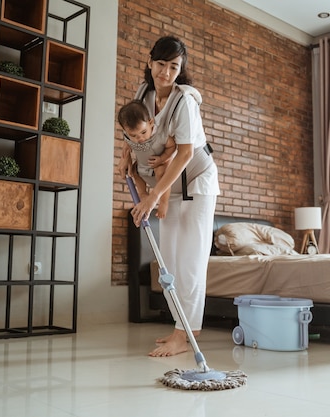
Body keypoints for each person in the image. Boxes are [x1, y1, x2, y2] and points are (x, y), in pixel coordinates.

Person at [121, 35, 220, 357]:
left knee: (189, 263)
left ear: (181, 69)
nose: (165, 72)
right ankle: (181, 326)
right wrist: (126, 153)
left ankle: (187, 334)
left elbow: (186, 153)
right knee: (171, 261)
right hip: (169, 186)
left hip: (194, 185)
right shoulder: (144, 93)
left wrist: (152, 197)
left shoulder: (184, 101)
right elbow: (132, 127)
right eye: (161, 64)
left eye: (173, 66)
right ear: (150, 62)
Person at [118, 99, 177, 218]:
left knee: (161, 172)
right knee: (133, 170)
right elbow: (127, 145)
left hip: (160, 162)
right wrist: (125, 156)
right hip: (143, 164)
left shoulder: (160, 135)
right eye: (133, 135)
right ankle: (143, 194)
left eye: (143, 132)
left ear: (151, 123)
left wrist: (162, 159)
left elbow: (172, 146)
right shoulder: (128, 138)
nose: (140, 138)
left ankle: (164, 203)